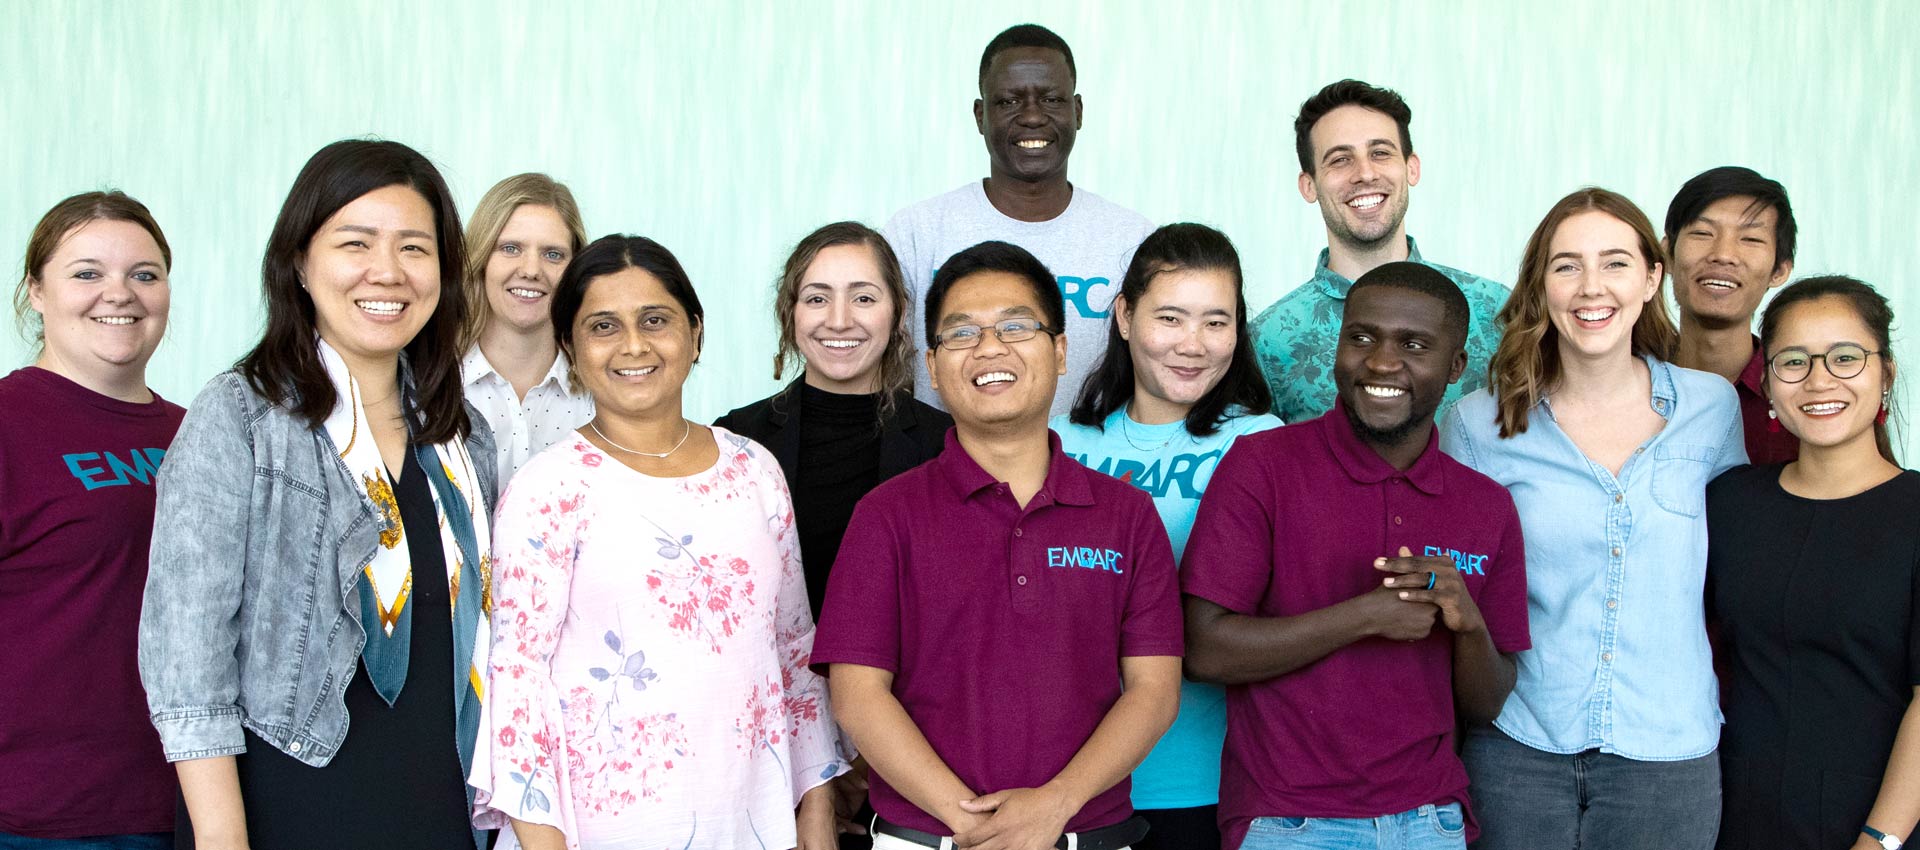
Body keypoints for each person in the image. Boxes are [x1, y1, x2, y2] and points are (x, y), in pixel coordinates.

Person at [139, 140, 498, 850]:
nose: (387, 272)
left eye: (414, 249)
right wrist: (220, 838)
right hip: (290, 800)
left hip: (442, 800)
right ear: (300, 262)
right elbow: (188, 654)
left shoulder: (463, 434)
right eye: (355, 242)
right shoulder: (240, 416)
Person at [471, 234, 850, 850]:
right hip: (598, 832)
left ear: (696, 333)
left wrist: (815, 811)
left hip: (752, 821)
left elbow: (792, 651)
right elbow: (518, 681)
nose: (634, 345)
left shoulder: (754, 471)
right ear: (569, 347)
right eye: (602, 326)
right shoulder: (547, 488)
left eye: (656, 320)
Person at [814, 241, 1182, 850]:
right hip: (926, 839)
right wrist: (972, 826)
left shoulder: (1127, 515)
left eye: (1016, 326)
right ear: (932, 366)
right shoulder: (886, 516)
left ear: (1060, 351)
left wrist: (1054, 806)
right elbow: (857, 696)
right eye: (962, 333)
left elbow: (1154, 690)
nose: (990, 348)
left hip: (1086, 835)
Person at [1182, 262, 1530, 850]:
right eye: (1362, 337)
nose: (1382, 363)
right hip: (1285, 820)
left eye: (1414, 345)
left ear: (1455, 367)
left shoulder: (1486, 506)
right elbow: (1204, 650)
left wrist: (1468, 623)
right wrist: (1366, 616)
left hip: (1431, 820)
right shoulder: (1261, 466)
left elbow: (1487, 704)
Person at [1440, 187, 1746, 850]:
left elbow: (1741, 564)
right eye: (1566, 265)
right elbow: (1461, 592)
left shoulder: (1712, 409)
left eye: (1613, 262)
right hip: (1521, 746)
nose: (1590, 287)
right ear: (1541, 286)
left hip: (1668, 753)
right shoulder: (1476, 424)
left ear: (1650, 279)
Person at [1053, 222, 1278, 849]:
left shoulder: (1259, 442)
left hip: (1208, 779)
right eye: (1170, 318)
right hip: (1068, 779)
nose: (1193, 344)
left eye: (1216, 321)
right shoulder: (1060, 444)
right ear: (1124, 316)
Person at [1708, 276, 1919, 850]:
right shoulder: (1728, 501)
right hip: (1732, 816)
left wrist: (1879, 840)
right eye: (1794, 361)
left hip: (1874, 823)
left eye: (1846, 357)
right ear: (1769, 388)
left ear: (1886, 375)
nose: (1820, 379)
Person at [0, 191, 181, 848]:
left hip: (182, 807)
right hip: (36, 821)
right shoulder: (9, 424)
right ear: (36, 291)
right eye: (86, 273)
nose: (120, 294)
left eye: (144, 274)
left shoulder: (197, 435)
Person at [885, 23, 1154, 417]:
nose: (1032, 117)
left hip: (1091, 473)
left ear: (1077, 112)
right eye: (1009, 101)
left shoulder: (1134, 240)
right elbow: (884, 371)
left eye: (1051, 99)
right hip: (948, 468)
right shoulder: (917, 232)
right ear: (980, 116)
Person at [716, 221, 953, 617]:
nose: (839, 320)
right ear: (789, 313)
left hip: (901, 677)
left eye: (863, 298)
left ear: (898, 312)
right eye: (816, 299)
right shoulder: (735, 439)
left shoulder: (945, 444)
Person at [1248, 79, 1509, 425]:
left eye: (1380, 153)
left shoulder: (1495, 312)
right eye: (1340, 159)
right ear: (1308, 185)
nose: (1365, 173)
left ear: (1411, 168)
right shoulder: (1267, 342)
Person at [459, 173, 595, 481]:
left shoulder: (602, 391)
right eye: (510, 248)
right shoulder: (430, 384)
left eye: (552, 254)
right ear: (481, 258)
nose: (532, 270)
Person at [1664, 166, 1800, 464]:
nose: (1723, 254)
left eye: (1751, 239)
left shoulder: (1798, 394)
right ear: (1667, 254)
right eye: (1702, 233)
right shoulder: (1626, 382)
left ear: (1780, 270)